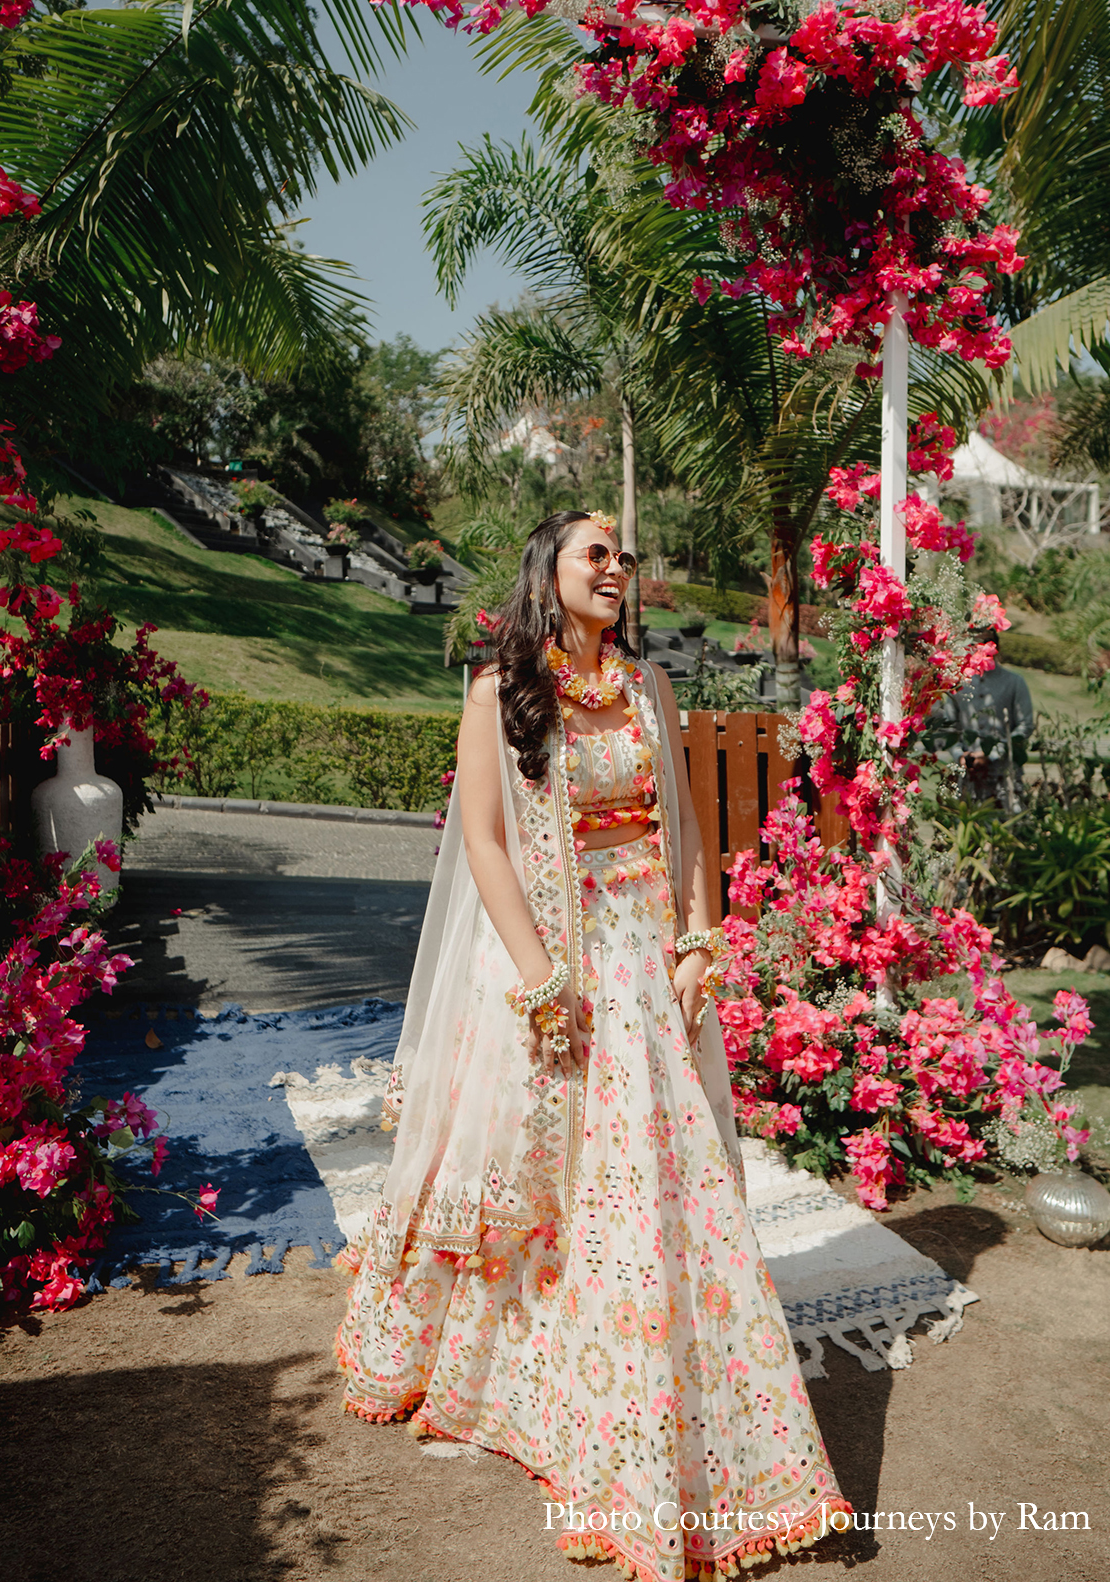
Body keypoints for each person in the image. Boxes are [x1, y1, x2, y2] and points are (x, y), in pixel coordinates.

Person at [335, 510, 850, 1580]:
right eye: (595, 554)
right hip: (545, 955)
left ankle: (641, 1400)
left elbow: (690, 829)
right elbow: (480, 837)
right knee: (534, 1170)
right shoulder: (498, 688)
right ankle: (521, 1377)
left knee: (650, 1181)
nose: (618, 569)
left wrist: (701, 940)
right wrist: (538, 977)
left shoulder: (649, 689)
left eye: (625, 556)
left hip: (644, 957)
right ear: (548, 573)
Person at [934, 626, 1034, 810]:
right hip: (968, 772)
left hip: (1003, 772)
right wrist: (960, 755)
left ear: (997, 647)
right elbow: (948, 726)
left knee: (1007, 823)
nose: (981, 649)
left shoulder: (1014, 682)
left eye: (987, 644)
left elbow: (1025, 725)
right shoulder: (958, 683)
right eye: (976, 644)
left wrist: (993, 753)